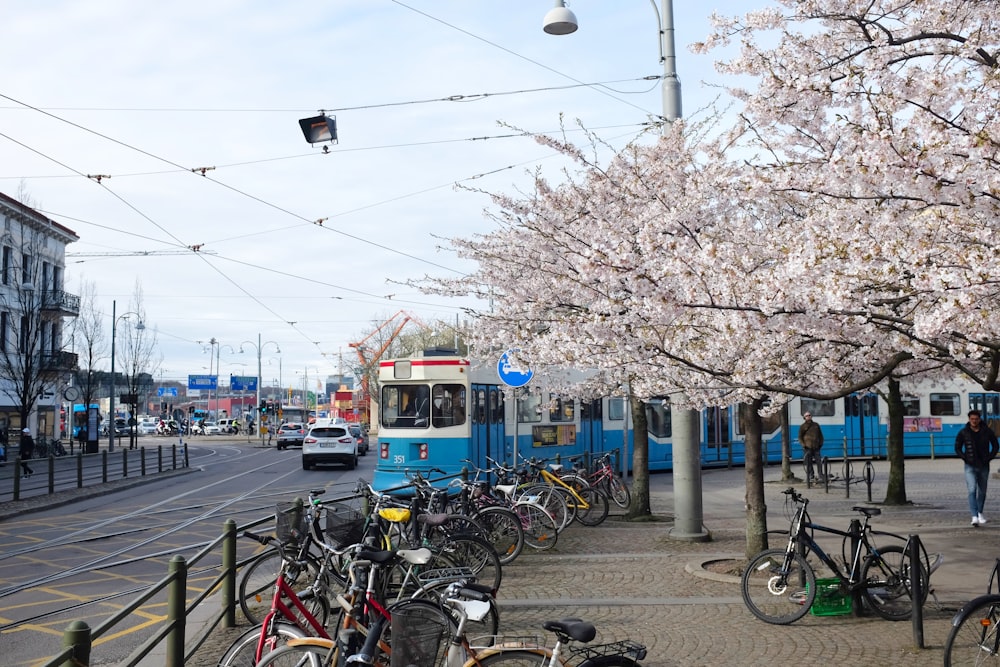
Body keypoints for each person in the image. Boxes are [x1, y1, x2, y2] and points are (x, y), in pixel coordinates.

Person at [955, 409, 1000, 526]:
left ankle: (980, 512)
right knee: (971, 489)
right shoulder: (964, 432)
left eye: (976, 419)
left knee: (982, 491)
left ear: (979, 419)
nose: (974, 421)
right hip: (970, 465)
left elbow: (995, 445)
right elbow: (957, 447)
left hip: (984, 465)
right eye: (972, 419)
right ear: (969, 420)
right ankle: (974, 515)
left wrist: (989, 457)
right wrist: (965, 458)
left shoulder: (987, 431)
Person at [798, 412, 824, 483]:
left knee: (819, 461)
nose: (808, 417)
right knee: (808, 462)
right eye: (806, 416)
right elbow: (800, 437)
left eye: (809, 415)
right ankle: (811, 475)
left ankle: (820, 475)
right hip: (807, 447)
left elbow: (820, 435)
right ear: (804, 418)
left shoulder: (816, 425)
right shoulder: (802, 426)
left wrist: (820, 444)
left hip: (816, 447)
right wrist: (803, 445)